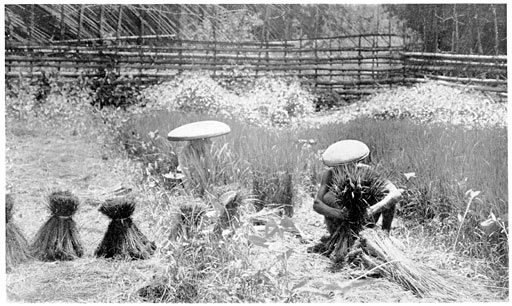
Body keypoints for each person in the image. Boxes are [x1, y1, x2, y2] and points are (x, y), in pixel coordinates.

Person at [310, 140, 402, 249]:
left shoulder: (365, 171)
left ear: (355, 162)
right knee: (328, 197)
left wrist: (373, 209)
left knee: (384, 195)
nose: (345, 169)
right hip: (340, 224)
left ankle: (385, 234)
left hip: (364, 219)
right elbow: (317, 204)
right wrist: (339, 214)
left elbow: (395, 193)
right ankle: (338, 238)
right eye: (341, 166)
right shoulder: (329, 174)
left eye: (349, 165)